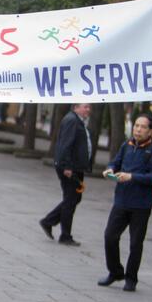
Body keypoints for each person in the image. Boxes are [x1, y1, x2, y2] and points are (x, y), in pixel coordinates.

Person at [99, 114, 152, 292]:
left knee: (136, 243)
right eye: (136, 126)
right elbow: (116, 161)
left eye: (143, 127)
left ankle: (131, 278)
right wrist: (110, 169)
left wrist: (132, 177)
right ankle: (115, 271)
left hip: (141, 204)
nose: (138, 130)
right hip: (121, 200)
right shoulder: (126, 145)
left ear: (150, 131)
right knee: (109, 236)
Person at [39, 103, 92, 246]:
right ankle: (64, 234)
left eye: (89, 107)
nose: (88, 109)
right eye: (85, 107)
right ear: (76, 107)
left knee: (74, 198)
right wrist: (67, 166)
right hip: (70, 168)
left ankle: (49, 221)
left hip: (75, 167)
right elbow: (65, 145)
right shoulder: (72, 120)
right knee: (71, 199)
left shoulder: (76, 120)